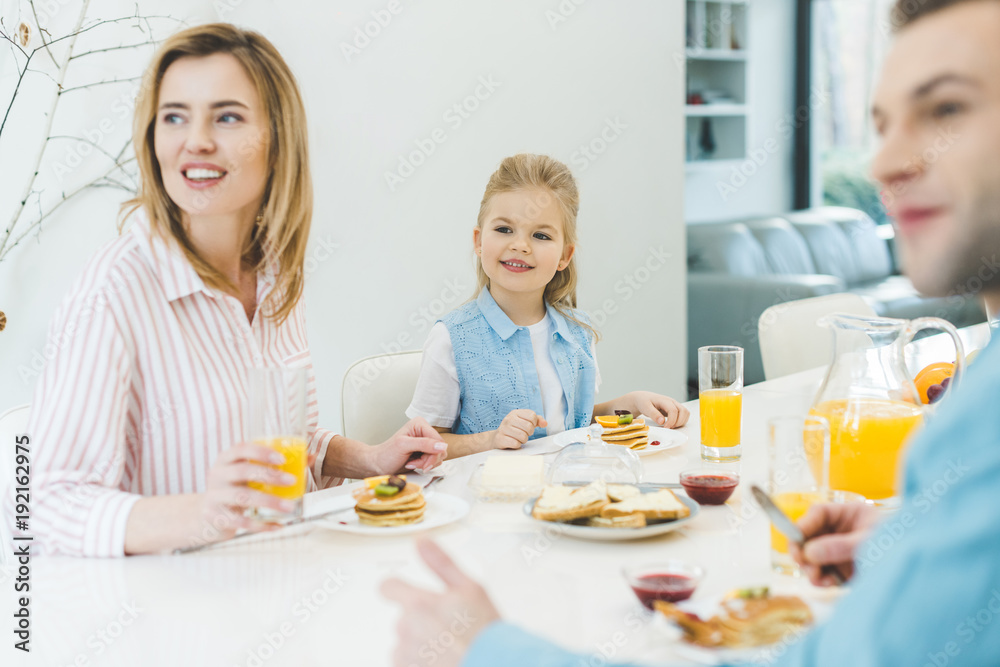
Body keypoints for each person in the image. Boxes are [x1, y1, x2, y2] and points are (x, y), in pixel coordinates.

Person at [382, 1, 1000, 664]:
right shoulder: (979, 396)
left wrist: (489, 650)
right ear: (478, 241)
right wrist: (899, 538)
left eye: (946, 110)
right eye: (881, 123)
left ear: (565, 252)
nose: (886, 161)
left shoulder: (979, 416)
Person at [12, 24, 446, 557]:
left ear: (276, 140)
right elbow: (44, 507)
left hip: (284, 586)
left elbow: (290, 446)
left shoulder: (276, 275)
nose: (195, 140)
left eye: (227, 116)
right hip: (169, 622)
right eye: (174, 116)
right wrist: (203, 513)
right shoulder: (114, 293)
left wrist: (371, 459)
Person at [405, 154, 689, 459]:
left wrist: (631, 403)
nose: (520, 245)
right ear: (478, 240)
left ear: (564, 256)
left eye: (540, 235)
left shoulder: (578, 333)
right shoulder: (450, 339)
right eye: (504, 229)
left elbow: (569, 424)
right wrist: (491, 439)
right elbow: (423, 445)